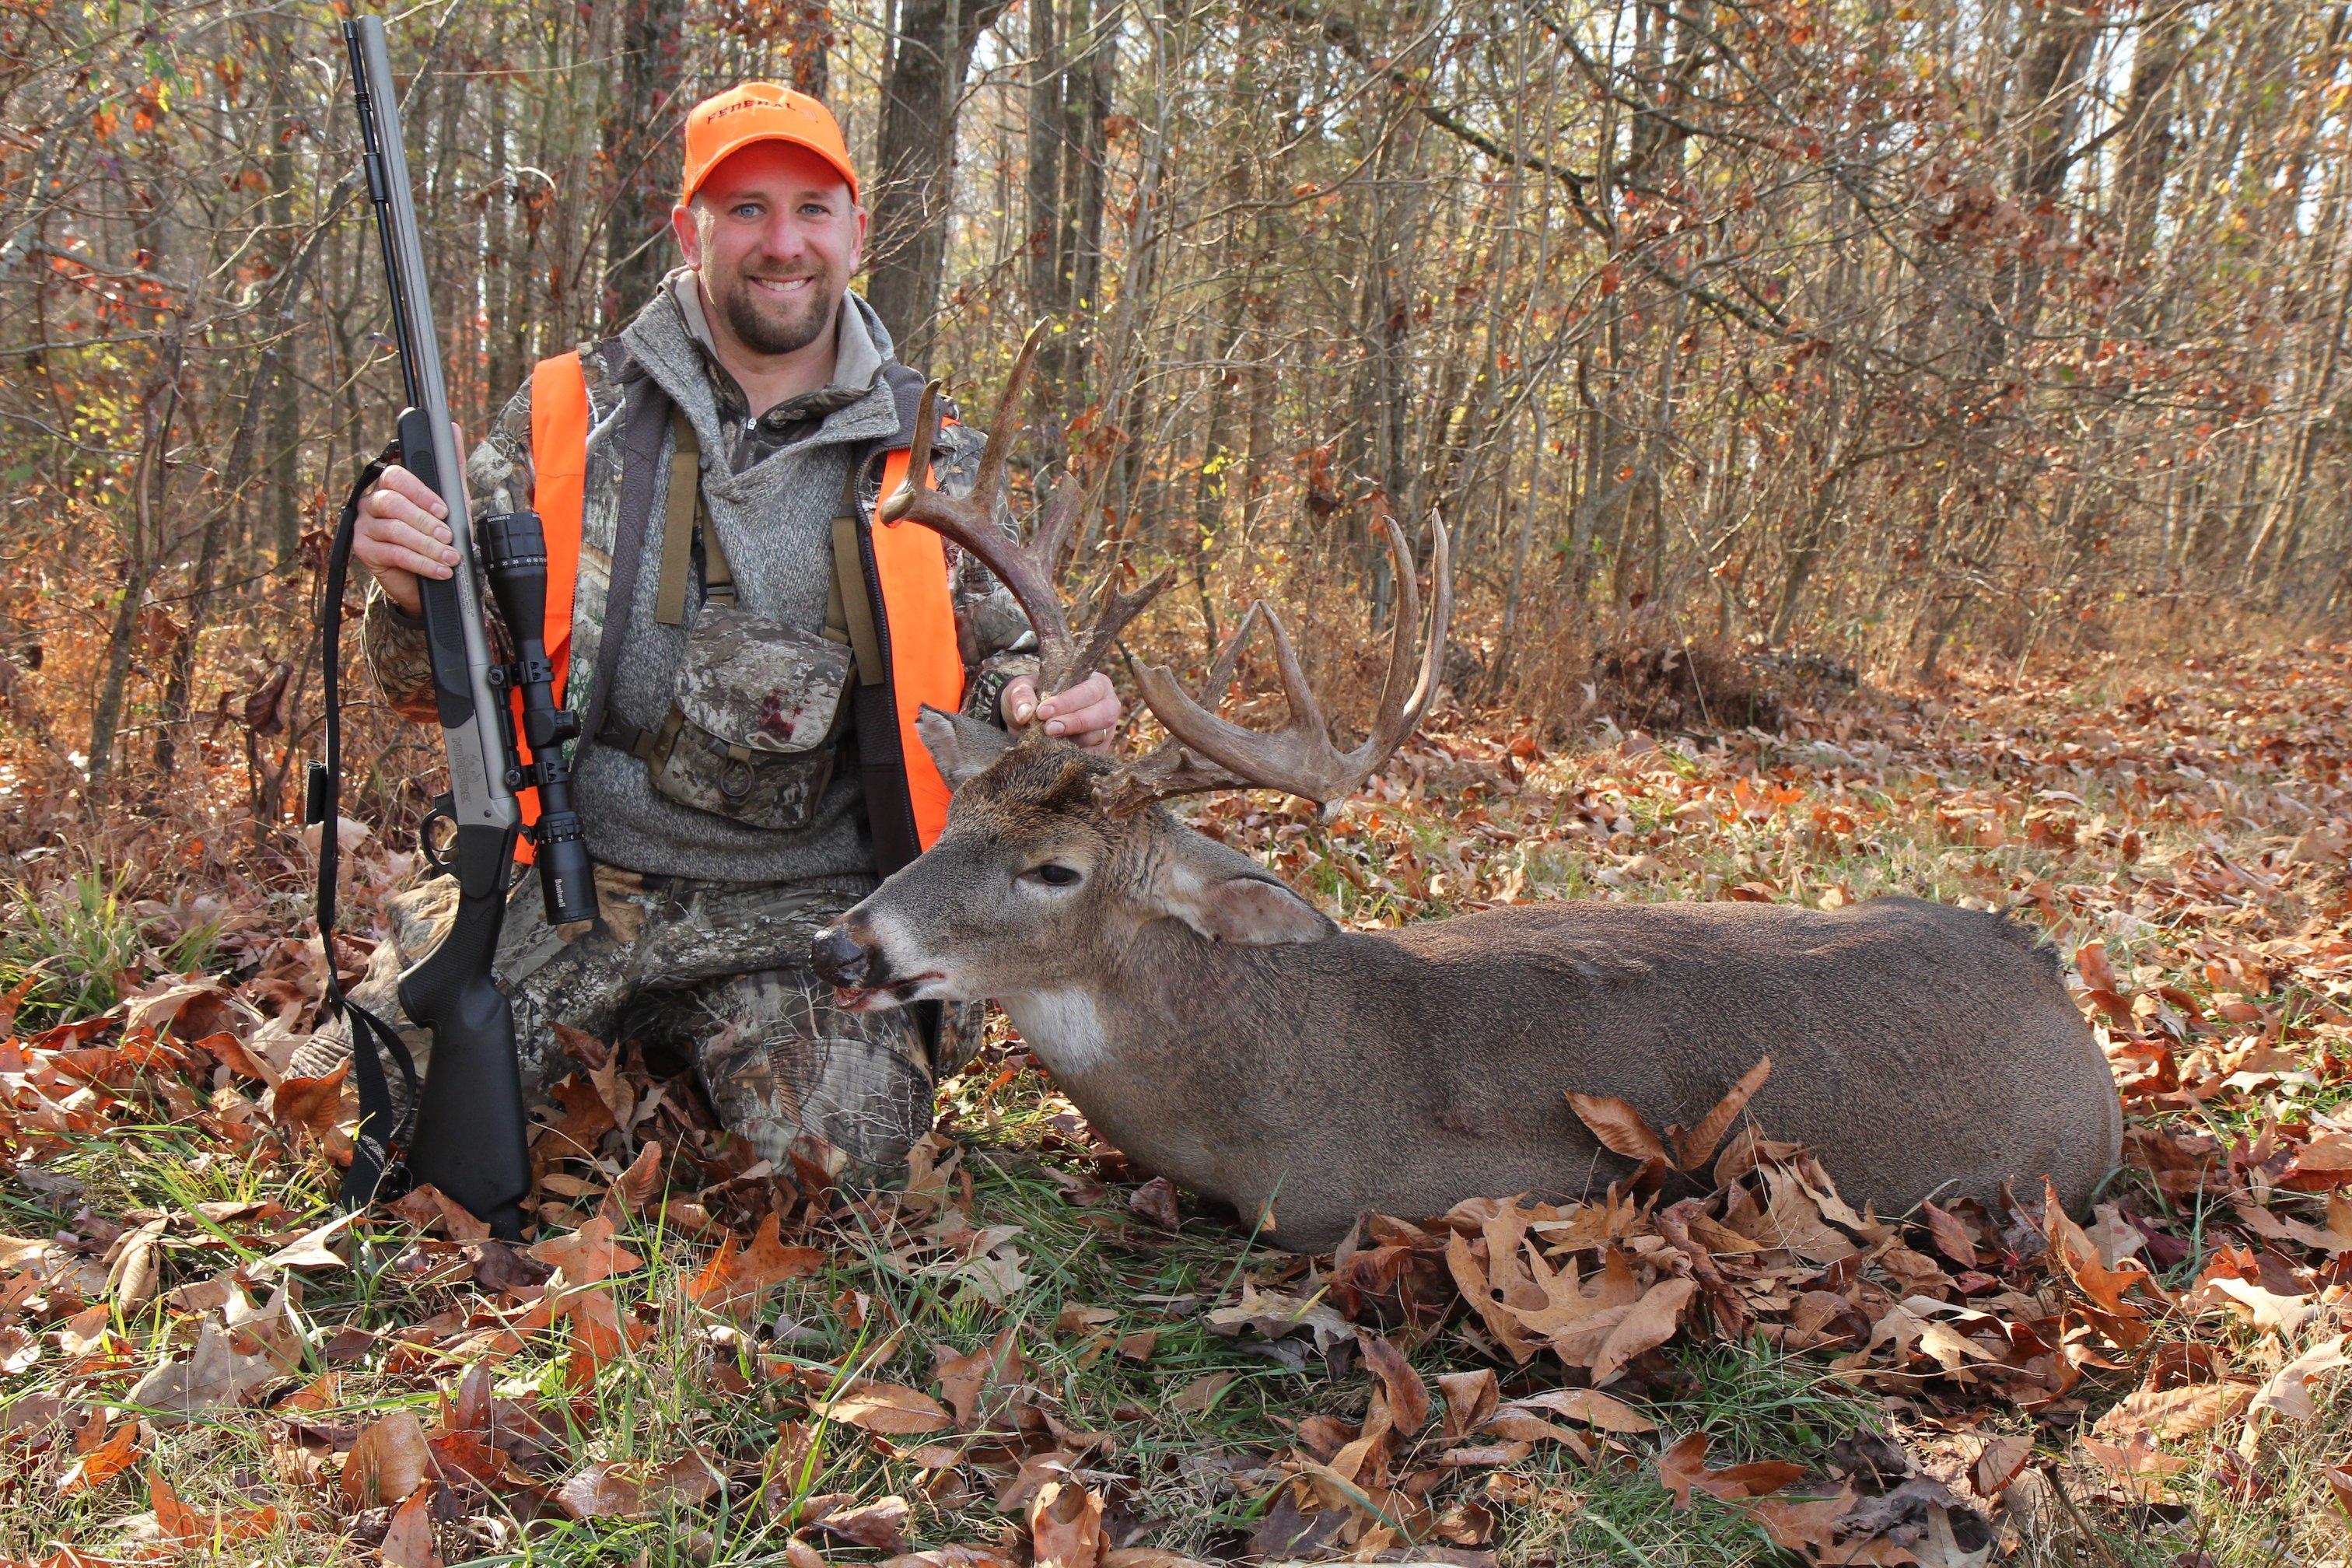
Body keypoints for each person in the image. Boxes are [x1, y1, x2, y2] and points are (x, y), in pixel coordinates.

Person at [296, 83, 1118, 1182]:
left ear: (856, 229)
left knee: (841, 1176)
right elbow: (422, 685)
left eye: (813, 210)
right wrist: (405, 595)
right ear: (691, 231)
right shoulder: (563, 417)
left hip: (815, 906)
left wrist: (1041, 705)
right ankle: (626, 1048)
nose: (784, 244)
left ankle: (692, 1063)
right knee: (360, 1117)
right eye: (746, 210)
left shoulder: (937, 461)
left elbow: (1007, 665)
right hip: (577, 877)